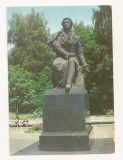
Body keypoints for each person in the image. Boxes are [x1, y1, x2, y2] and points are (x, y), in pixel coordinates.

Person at [48, 18, 90, 90]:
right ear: (62, 24)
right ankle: (58, 85)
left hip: (73, 57)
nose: (65, 24)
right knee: (55, 64)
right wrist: (67, 54)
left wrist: (85, 64)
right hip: (61, 57)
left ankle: (68, 83)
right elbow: (58, 47)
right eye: (64, 22)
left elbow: (80, 52)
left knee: (72, 61)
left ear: (71, 24)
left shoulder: (76, 38)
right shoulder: (58, 36)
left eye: (67, 22)